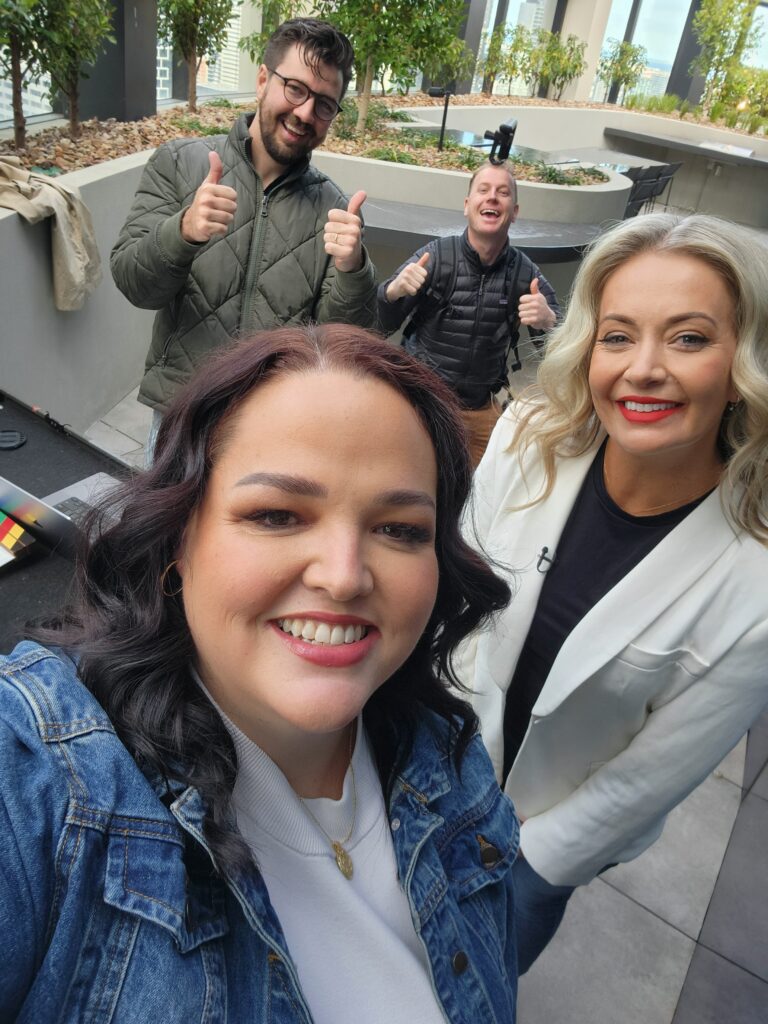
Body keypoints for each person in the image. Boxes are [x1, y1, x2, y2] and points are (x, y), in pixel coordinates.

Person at [0, 325, 519, 1024]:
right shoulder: (43, 782)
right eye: (277, 515)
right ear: (177, 540)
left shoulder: (452, 769)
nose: (343, 576)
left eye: (399, 529)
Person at [457, 213, 768, 973]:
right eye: (619, 335)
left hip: (537, 848)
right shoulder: (526, 437)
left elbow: (645, 780)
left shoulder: (754, 584)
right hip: (422, 774)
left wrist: (529, 868)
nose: (644, 368)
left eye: (689, 338)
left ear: (742, 368)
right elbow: (453, 601)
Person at [110, 18, 378, 443]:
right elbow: (135, 285)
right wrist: (183, 232)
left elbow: (342, 348)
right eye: (295, 88)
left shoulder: (336, 209)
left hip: (273, 429)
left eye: (324, 104)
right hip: (183, 418)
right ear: (261, 81)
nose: (306, 112)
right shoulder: (181, 164)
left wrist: (354, 270)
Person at [377, 161, 560, 467]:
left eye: (503, 193)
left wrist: (549, 322)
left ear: (514, 212)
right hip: (424, 401)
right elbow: (380, 323)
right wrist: (393, 291)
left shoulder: (524, 273)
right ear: (467, 205)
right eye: (483, 190)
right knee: (406, 477)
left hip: (479, 406)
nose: (492, 198)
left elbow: (564, 346)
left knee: (478, 493)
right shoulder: (434, 257)